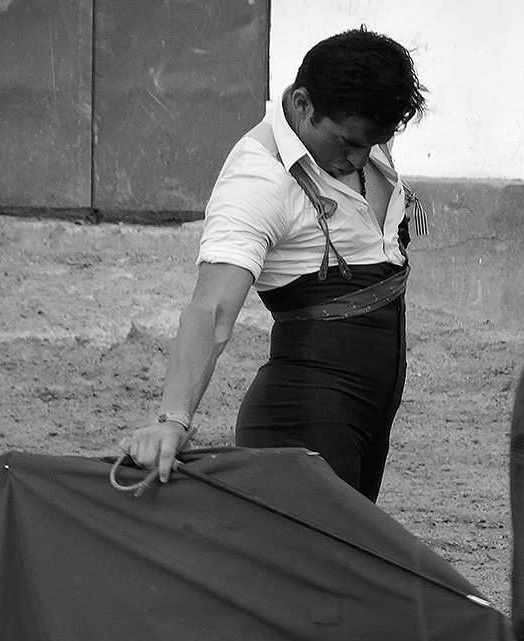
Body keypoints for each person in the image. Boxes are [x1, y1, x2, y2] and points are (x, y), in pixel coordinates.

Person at [120, 27, 428, 502]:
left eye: (376, 141)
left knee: (343, 567)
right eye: (348, 141)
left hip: (367, 414)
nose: (360, 158)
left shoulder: (353, 133)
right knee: (322, 569)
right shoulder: (258, 179)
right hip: (303, 419)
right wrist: (173, 419)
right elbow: (212, 309)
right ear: (303, 105)